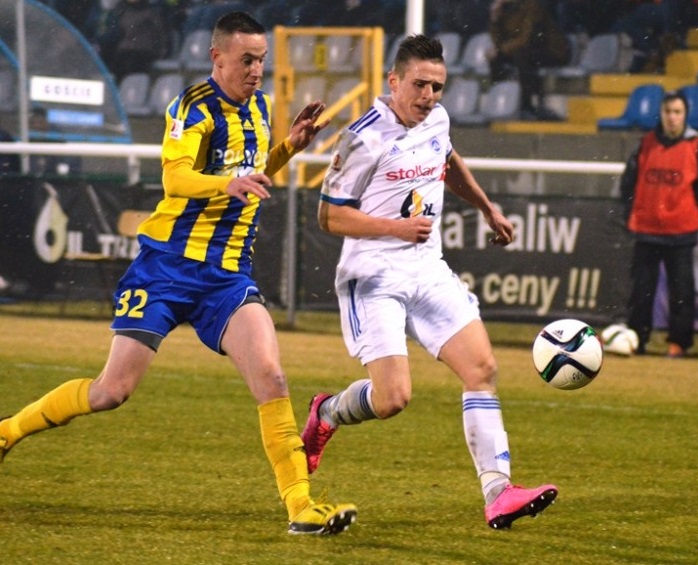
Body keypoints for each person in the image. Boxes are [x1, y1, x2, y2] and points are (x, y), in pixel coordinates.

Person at [0, 11, 357, 536]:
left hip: (227, 276)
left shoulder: (259, 107)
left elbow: (250, 174)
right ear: (217, 57)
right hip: (166, 269)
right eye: (247, 60)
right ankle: (7, 431)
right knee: (111, 391)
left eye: (261, 60)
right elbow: (177, 179)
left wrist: (288, 148)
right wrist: (225, 184)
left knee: (272, 377)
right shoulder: (193, 107)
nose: (256, 70)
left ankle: (301, 508)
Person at [303, 34, 558, 530]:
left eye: (437, 87)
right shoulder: (362, 137)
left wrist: (486, 206)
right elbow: (328, 217)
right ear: (394, 81)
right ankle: (328, 412)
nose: (429, 96)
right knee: (393, 398)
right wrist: (395, 229)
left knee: (481, 368)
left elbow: (447, 161)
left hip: (426, 267)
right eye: (419, 84)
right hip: (373, 275)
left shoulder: (437, 119)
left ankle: (499, 493)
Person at [619, 90, 698, 358]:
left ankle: (679, 343)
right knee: (641, 291)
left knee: (682, 291)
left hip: (681, 230)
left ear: (685, 115)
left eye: (677, 112)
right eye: (668, 112)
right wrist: (631, 213)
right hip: (647, 229)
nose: (672, 117)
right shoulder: (646, 144)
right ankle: (636, 339)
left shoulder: (697, 146)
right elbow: (628, 182)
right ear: (661, 114)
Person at [486, 0, 570, 120]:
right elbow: (498, 40)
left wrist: (501, 49)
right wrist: (494, 20)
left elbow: (526, 38)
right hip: (524, 50)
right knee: (495, 58)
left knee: (523, 56)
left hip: (552, 51)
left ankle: (527, 106)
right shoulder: (505, 9)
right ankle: (498, 99)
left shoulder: (531, 5)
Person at [97, 0, 170, 83]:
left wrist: (161, 53)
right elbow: (112, 33)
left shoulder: (151, 12)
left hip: (143, 52)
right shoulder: (120, 11)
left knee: (129, 62)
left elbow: (161, 35)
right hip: (123, 52)